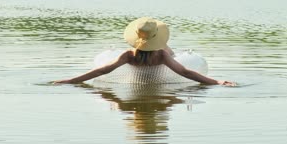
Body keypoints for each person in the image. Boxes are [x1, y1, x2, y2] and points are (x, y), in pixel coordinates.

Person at [52, 17, 235, 86]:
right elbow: (185, 72)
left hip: (154, 56)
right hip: (163, 56)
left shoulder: (128, 55)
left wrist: (70, 80)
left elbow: (102, 71)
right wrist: (217, 81)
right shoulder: (162, 54)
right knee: (168, 50)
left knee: (168, 51)